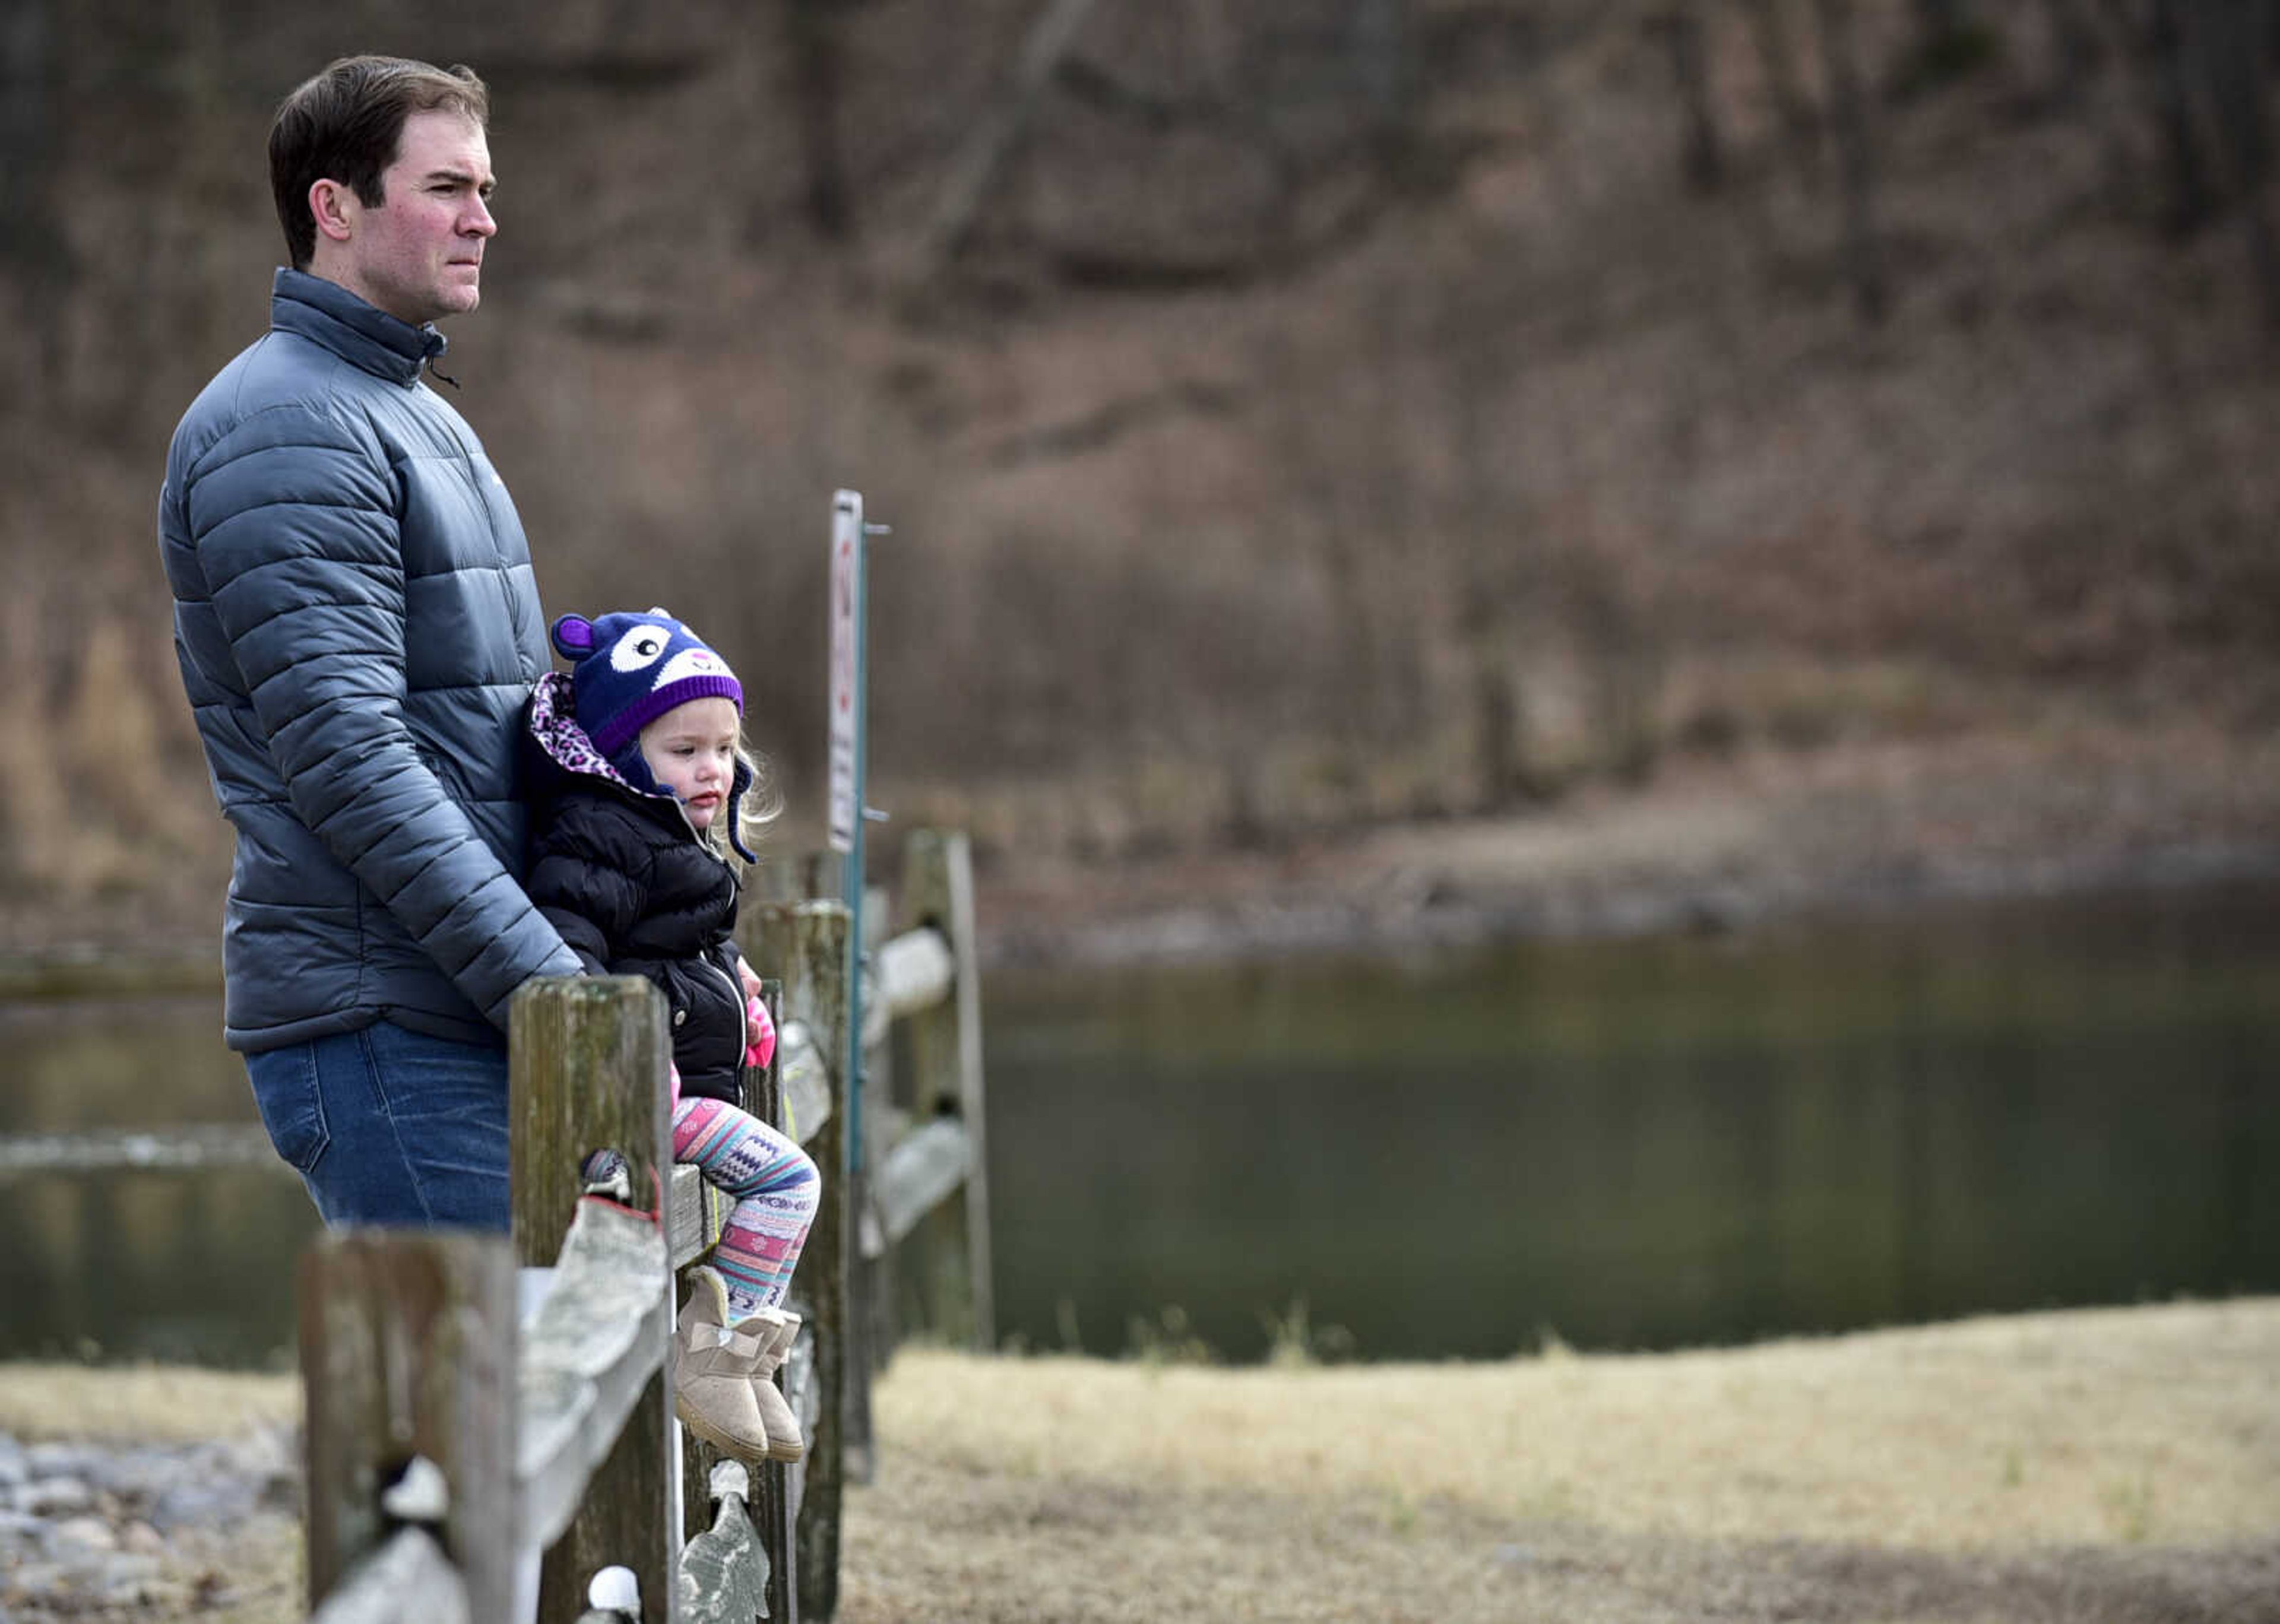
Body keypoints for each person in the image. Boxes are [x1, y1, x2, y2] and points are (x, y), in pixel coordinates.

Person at [157, 55, 587, 1230]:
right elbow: (349, 759)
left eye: (485, 187)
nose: (485, 218)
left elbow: (499, 739)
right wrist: (555, 992)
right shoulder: (289, 427)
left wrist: (650, 929)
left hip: (460, 1007)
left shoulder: (410, 410)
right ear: (334, 207)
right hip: (393, 1029)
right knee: (467, 1412)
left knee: (542, 1403)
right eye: (447, 186)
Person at [523, 607, 820, 1464]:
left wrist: (737, 985)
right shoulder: (596, 836)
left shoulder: (663, 834)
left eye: (725, 750)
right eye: (685, 751)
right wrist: (618, 1068)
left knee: (785, 1172)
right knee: (788, 1179)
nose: (714, 770)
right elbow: (573, 956)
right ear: (623, 753)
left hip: (679, 1080)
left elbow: (683, 940)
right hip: (651, 1093)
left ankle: (738, 1351)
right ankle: (713, 1352)